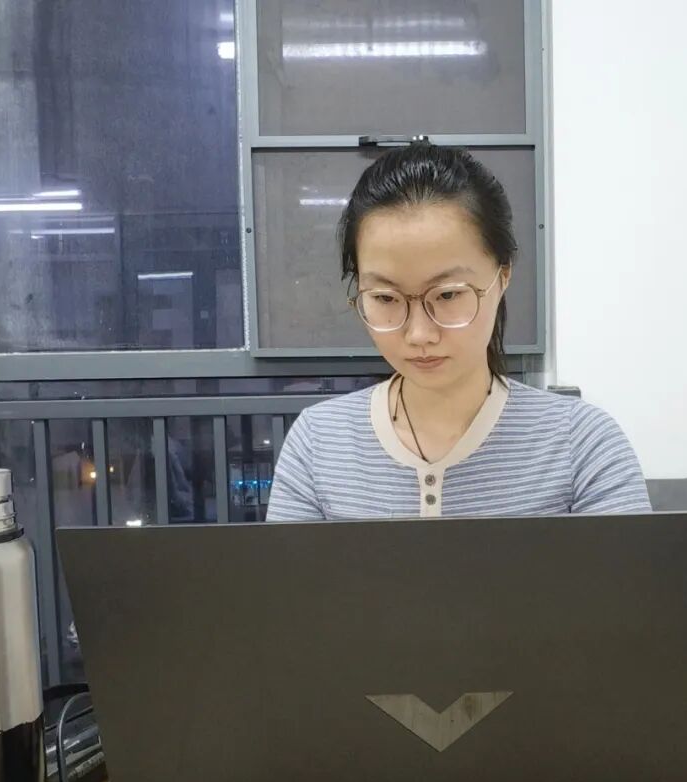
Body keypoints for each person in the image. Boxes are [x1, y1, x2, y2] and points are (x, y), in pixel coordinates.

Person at [267, 143, 649, 521]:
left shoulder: (581, 444)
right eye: (385, 298)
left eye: (448, 294)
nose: (419, 334)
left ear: (503, 275)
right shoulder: (318, 444)